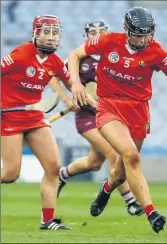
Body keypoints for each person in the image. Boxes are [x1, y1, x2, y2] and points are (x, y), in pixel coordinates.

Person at [67, 7, 167, 233]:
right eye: (138, 34)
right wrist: (75, 83)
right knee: (131, 155)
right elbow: (74, 55)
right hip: (109, 106)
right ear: (126, 30)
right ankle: (151, 212)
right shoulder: (107, 41)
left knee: (122, 170)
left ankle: (107, 187)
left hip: (139, 112)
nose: (143, 39)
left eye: (147, 34)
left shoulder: (156, 51)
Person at [50, 19, 143, 216]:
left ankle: (62, 175)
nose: (97, 35)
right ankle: (131, 202)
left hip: (108, 113)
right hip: (87, 117)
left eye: (102, 31)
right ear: (87, 35)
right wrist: (67, 99)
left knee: (94, 163)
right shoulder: (79, 57)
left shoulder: (113, 56)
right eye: (93, 32)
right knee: (113, 152)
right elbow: (55, 77)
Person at [1, 14, 71, 230]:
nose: (51, 38)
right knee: (10, 174)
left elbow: (72, 85)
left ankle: (48, 220)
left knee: (53, 167)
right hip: (9, 117)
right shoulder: (20, 54)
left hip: (35, 118)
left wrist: (81, 100)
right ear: (36, 34)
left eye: (55, 33)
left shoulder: (55, 62)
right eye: (46, 33)